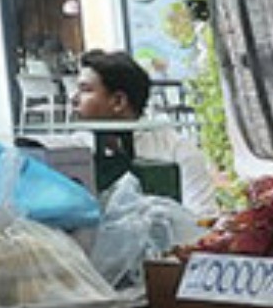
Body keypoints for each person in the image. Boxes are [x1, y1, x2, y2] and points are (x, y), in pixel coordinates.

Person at [73, 50, 219, 216]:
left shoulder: (177, 150)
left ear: (118, 101)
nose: (74, 99)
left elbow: (202, 218)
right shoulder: (73, 151)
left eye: (85, 90)